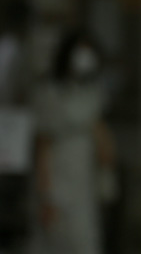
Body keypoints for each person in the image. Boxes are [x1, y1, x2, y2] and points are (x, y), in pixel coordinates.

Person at [31, 30, 116, 254]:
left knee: (85, 242)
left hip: (85, 185)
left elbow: (103, 142)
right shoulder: (51, 92)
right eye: (80, 51)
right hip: (59, 180)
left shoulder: (92, 93)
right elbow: (43, 147)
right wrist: (46, 195)